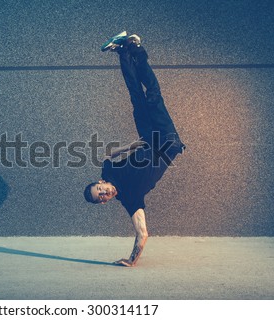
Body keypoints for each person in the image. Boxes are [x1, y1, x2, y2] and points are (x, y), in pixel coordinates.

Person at [84, 31, 185, 267]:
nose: (104, 192)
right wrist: (132, 261)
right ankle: (136, 48)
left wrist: (132, 145)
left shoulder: (109, 171)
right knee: (153, 97)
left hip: (147, 137)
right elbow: (142, 234)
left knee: (136, 97)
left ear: (100, 181)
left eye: (100, 188)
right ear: (104, 202)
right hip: (168, 141)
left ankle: (121, 49)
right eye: (101, 196)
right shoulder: (131, 199)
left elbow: (108, 156)